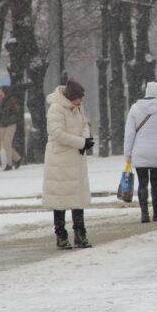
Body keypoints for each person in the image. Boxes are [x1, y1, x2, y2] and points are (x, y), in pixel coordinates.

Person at [43, 80, 94, 249]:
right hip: (60, 161)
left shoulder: (78, 107)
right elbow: (57, 134)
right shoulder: (56, 109)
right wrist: (81, 142)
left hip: (76, 159)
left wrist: (86, 139)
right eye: (78, 99)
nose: (81, 102)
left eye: (81, 99)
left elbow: (84, 124)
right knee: (61, 199)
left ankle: (80, 234)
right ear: (70, 98)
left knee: (77, 197)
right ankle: (61, 236)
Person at [124, 81, 157, 223]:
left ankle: (144, 214)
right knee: (155, 183)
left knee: (142, 183)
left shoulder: (134, 108)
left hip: (140, 152)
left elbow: (129, 134)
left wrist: (127, 154)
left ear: (146, 92)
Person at [0, 85, 22, 171]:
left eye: (1, 92)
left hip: (10, 124)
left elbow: (16, 112)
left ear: (5, 92)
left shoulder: (12, 100)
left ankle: (9, 164)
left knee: (7, 143)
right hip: (3, 125)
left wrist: (11, 119)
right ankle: (18, 159)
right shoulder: (3, 101)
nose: (0, 93)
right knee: (5, 144)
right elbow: (1, 114)